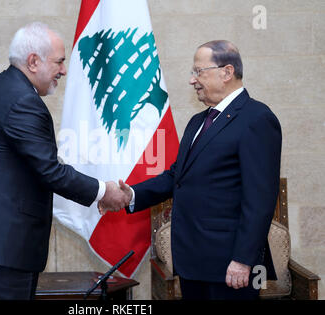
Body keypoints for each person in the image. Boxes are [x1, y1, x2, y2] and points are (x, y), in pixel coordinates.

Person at [0, 22, 130, 300]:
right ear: (33, 61)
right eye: (59, 62)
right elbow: (50, 171)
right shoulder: (21, 100)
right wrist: (104, 191)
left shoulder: (8, 89)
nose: (64, 70)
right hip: (3, 245)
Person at [100, 40, 282, 300]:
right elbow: (177, 177)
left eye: (198, 71)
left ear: (226, 72)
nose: (191, 80)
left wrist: (243, 259)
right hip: (192, 261)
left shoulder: (257, 119)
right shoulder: (199, 121)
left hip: (230, 266)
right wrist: (130, 196)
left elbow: (260, 198)